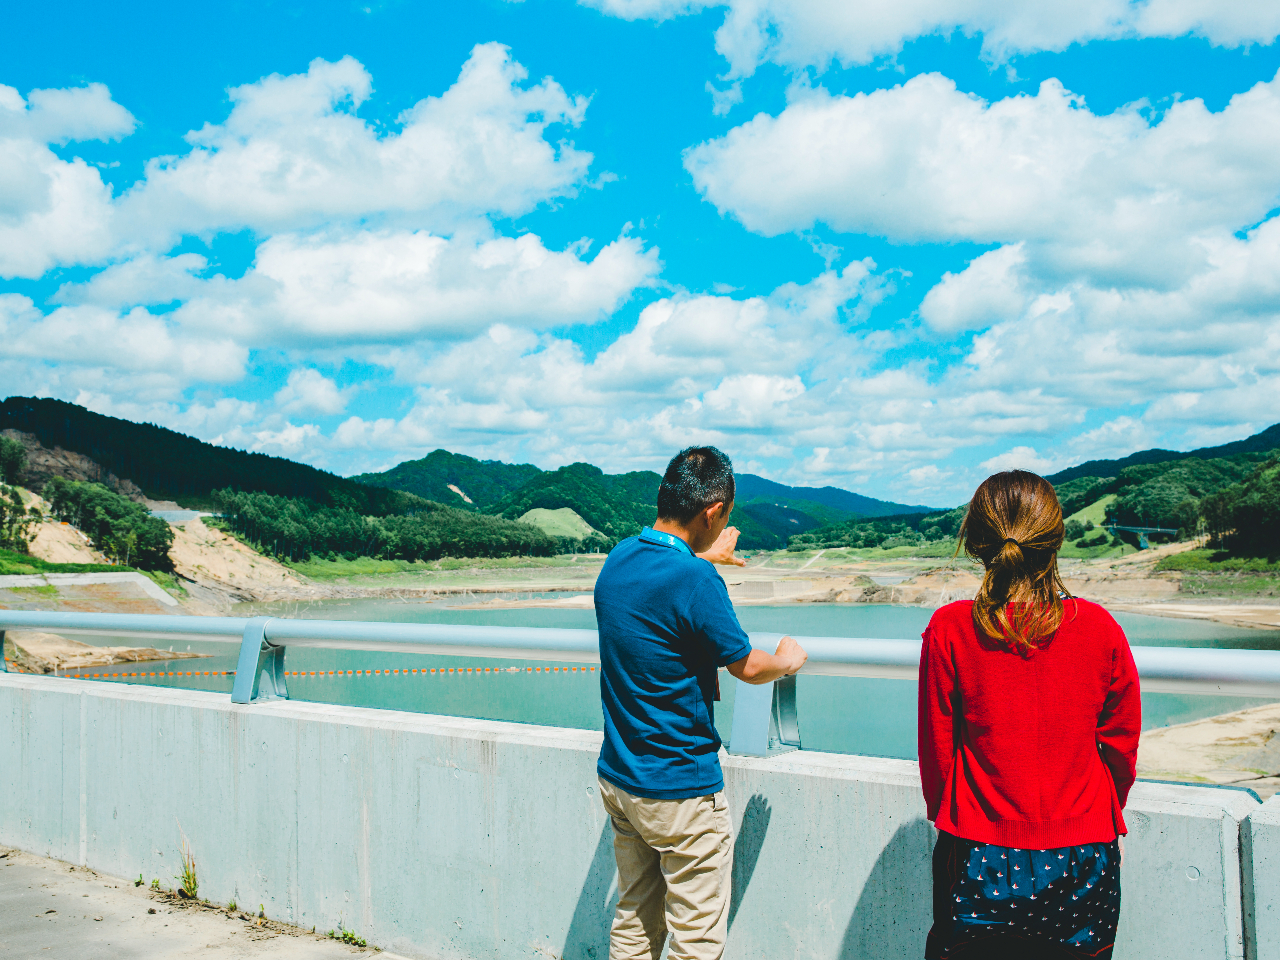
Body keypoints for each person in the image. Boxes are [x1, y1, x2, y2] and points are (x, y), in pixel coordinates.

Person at [594, 445, 808, 960]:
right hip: (682, 791)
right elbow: (747, 666)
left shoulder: (620, 557)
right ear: (712, 513)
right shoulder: (695, 579)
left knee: (634, 921)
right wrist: (788, 658)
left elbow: (662, 586)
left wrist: (703, 556)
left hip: (622, 780)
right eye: (725, 517)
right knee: (695, 941)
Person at [918, 470, 1142, 960]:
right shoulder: (1100, 628)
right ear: (1056, 538)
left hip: (978, 851)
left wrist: (953, 827)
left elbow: (938, 756)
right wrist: (1101, 820)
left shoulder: (949, 628)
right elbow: (1121, 748)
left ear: (977, 542)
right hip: (1083, 854)